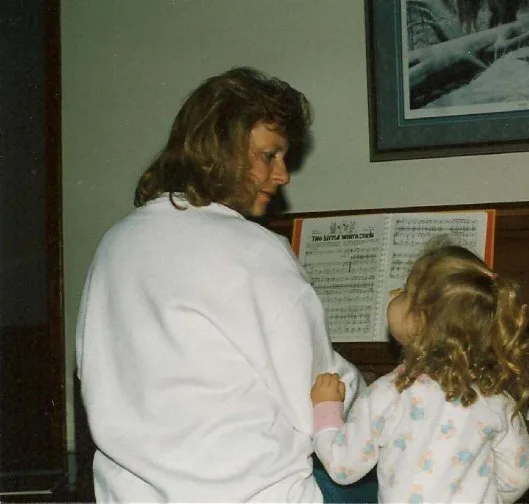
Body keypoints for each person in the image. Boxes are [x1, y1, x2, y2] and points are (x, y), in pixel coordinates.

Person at [75, 67, 369, 502]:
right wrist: (390, 395)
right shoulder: (253, 249)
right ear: (223, 149)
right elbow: (318, 394)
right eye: (270, 155)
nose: (283, 174)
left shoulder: (114, 242)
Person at [310, 245, 529, 503]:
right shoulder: (497, 400)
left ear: (421, 321)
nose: (396, 295)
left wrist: (326, 407)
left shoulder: (388, 393)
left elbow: (343, 467)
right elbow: (518, 477)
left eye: (406, 292)